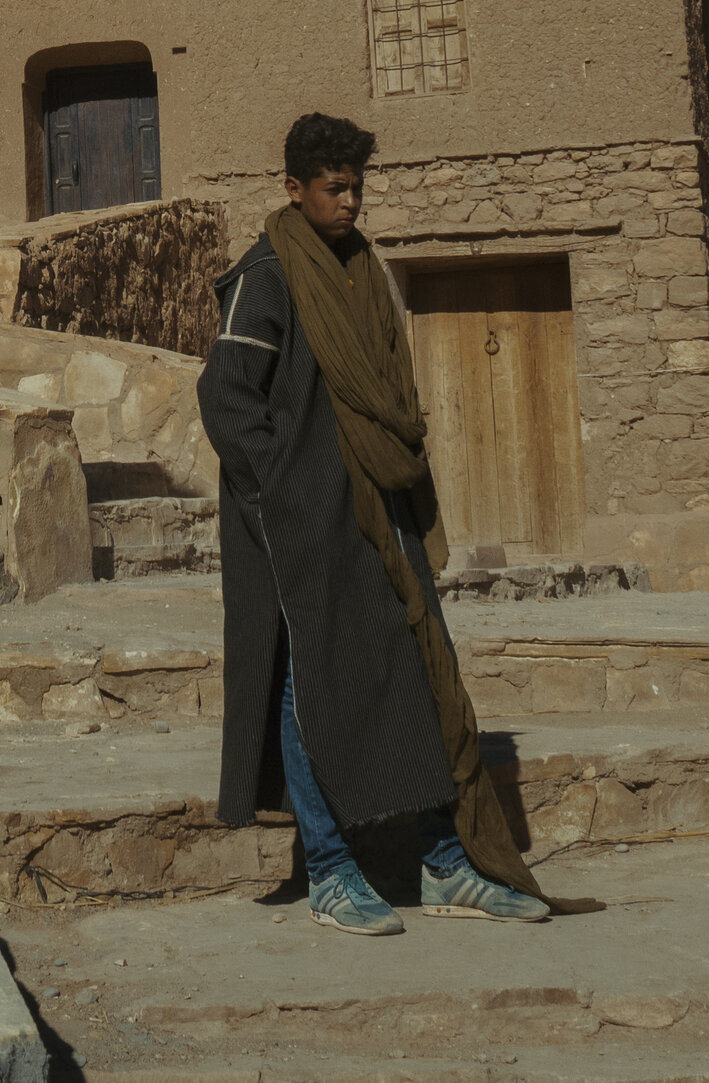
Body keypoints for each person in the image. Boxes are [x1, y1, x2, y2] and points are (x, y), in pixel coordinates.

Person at [200, 112, 588, 933]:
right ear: (293, 189)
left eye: (356, 187)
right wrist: (291, 498)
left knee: (417, 671)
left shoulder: (361, 271)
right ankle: (334, 869)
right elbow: (228, 401)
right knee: (312, 687)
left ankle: (444, 860)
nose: (350, 202)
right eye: (334, 188)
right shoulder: (266, 276)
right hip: (305, 523)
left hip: (377, 512)